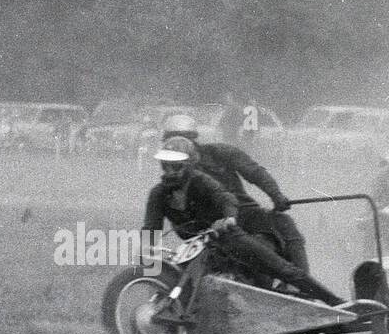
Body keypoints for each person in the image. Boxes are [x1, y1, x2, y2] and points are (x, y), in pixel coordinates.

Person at [142, 137, 342, 305]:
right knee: (177, 281)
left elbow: (227, 197)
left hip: (227, 236)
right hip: (196, 247)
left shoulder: (203, 180)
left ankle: (335, 303)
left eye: (175, 166)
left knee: (282, 269)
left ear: (189, 164)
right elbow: (151, 228)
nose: (169, 171)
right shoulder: (158, 194)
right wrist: (148, 252)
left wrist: (228, 218)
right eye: (165, 165)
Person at [161, 113, 309, 275]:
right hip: (209, 231)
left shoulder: (221, 152)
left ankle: (304, 285)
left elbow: (255, 172)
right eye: (171, 143)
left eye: (182, 140)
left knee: (284, 223)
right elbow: (161, 222)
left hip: (245, 216)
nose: (177, 146)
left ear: (193, 140)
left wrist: (276, 195)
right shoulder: (170, 181)